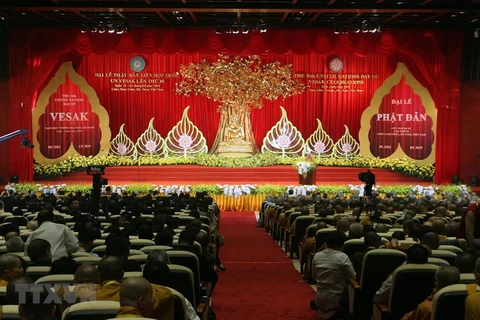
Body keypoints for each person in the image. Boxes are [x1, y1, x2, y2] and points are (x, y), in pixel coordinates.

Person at [94, 256, 173, 320]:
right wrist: (140, 281)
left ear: (98, 276)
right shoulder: (136, 293)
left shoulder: (88, 295)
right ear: (122, 274)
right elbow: (167, 293)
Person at [312, 231, 355, 318]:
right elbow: (353, 277)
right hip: (338, 300)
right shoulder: (343, 257)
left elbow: (314, 277)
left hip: (320, 298)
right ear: (337, 245)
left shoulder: (317, 256)